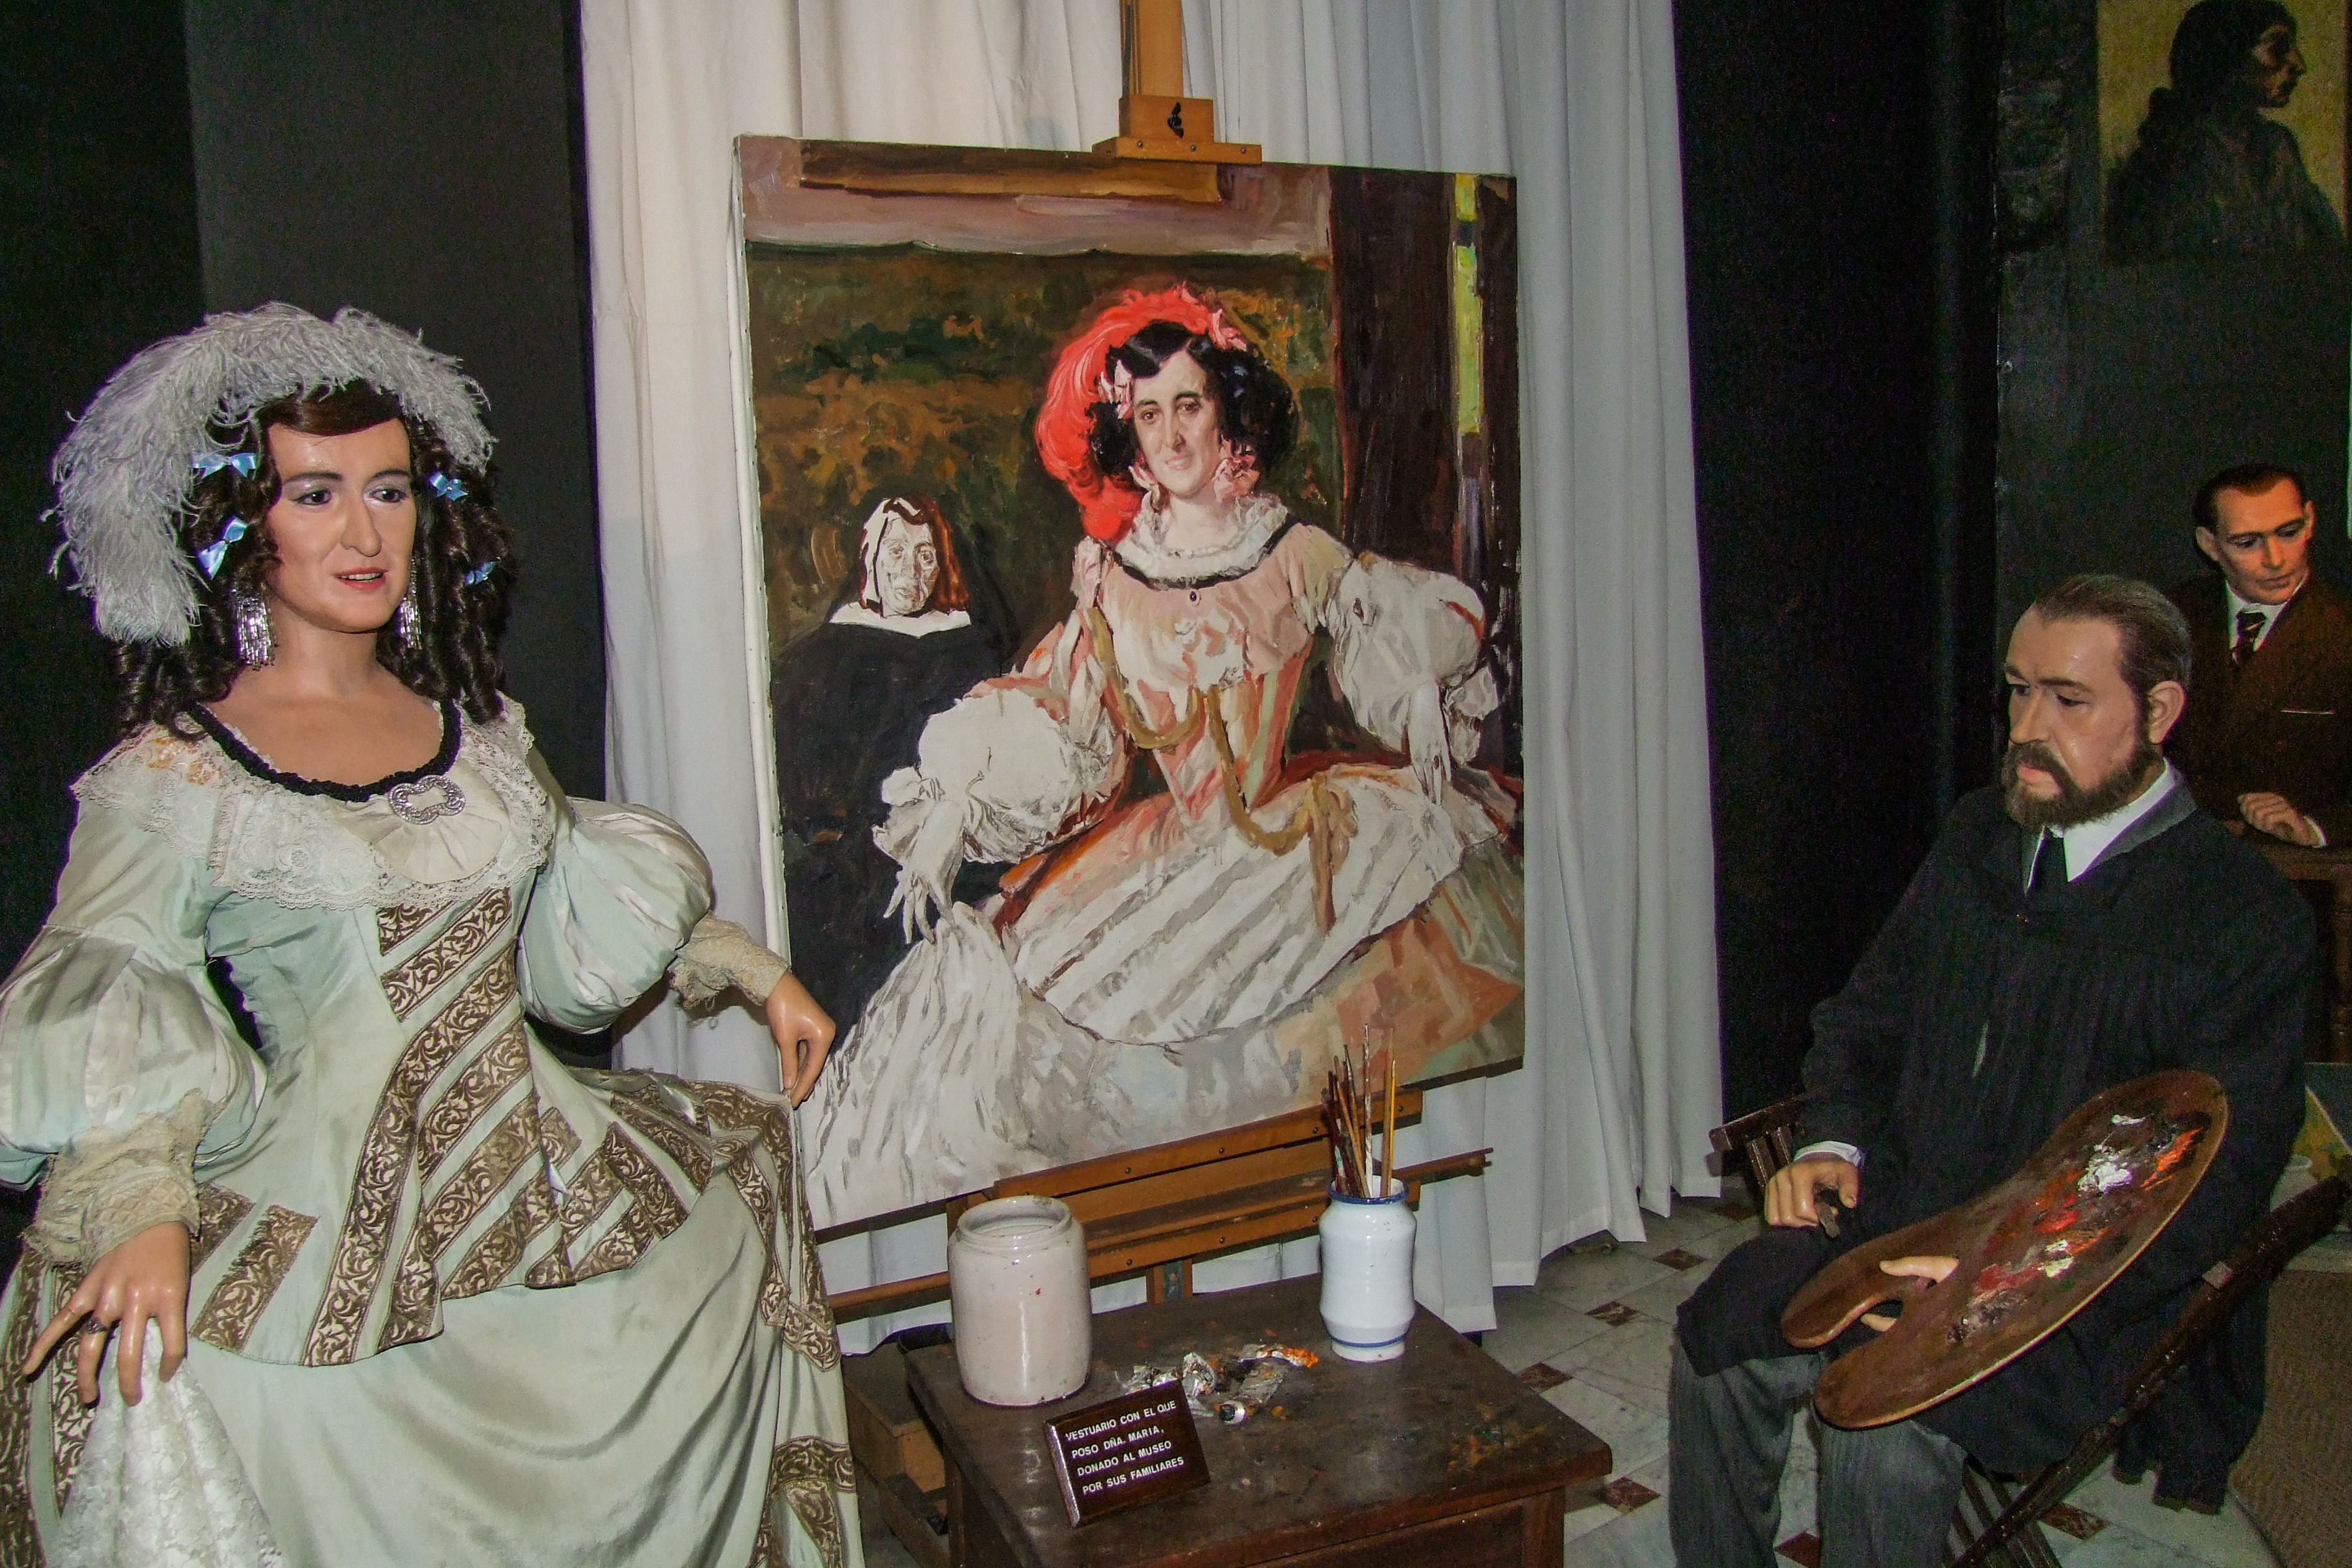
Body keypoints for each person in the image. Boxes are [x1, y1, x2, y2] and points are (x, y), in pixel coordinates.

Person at [1, 305, 862, 1566]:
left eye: (391, 490)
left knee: (730, 1216)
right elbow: (112, 986)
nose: (364, 534)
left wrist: (750, 968)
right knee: (237, 1402)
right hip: (330, 1203)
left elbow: (565, 886)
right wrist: (138, 1204)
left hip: (556, 1174)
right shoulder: (181, 778)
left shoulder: (479, 733)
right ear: (241, 526)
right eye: (316, 495)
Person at [804, 284, 1516, 1227]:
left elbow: (1381, 628)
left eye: (1189, 404)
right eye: (1149, 414)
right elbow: (1066, 719)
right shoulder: (1110, 574)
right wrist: (956, 806)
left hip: (1297, 852)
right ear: (1127, 434)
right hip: (1160, 857)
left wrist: (1419, 688)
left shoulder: (1292, 551)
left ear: (1227, 413)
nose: (1173, 434)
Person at [1670, 575, 2307, 1567]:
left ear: (2161, 712)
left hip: (2072, 1285)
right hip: (1901, 1207)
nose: (2027, 728)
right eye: (2017, 691)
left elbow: (2212, 1177)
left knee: (1878, 1433)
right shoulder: (1981, 835)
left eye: (2069, 699)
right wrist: (1834, 1139)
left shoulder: (2241, 917)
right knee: (1716, 1337)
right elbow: (1868, 1015)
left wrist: (2003, 1265)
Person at [770, 495, 1006, 1028]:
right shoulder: (818, 660)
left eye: (926, 555)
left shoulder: (968, 648)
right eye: (896, 551)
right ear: (868, 557)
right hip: (860, 854)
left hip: (961, 847)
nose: (911, 571)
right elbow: (807, 791)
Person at [2165, 461, 2352, 847]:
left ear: (2310, 521)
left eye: (2289, 532)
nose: (2275, 559)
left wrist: (2314, 829)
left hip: (2293, 870)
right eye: (2247, 542)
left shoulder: (2343, 633)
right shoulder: (2167, 620)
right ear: (2210, 545)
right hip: (2175, 859)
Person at [2107, 0, 2345, 261]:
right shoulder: (2171, 154)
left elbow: (2333, 250)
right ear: (2225, 56)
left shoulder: (2278, 146)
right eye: (2277, 49)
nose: (2299, 65)